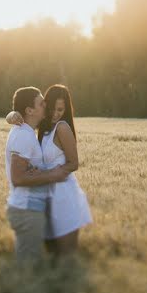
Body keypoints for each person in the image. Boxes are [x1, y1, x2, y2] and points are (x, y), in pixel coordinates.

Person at [6, 84, 93, 255]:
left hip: (63, 194)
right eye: (51, 108)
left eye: (60, 109)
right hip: (44, 197)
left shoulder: (62, 127)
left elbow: (74, 164)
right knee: (50, 253)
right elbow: (23, 122)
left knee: (66, 254)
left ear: (66, 109)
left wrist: (52, 174)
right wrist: (11, 115)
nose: (55, 113)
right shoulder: (43, 129)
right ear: (45, 105)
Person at [5, 86, 69, 263]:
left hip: (29, 208)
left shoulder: (26, 133)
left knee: (29, 265)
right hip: (27, 210)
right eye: (41, 103)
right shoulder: (24, 136)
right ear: (29, 110)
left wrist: (41, 173)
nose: (46, 106)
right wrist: (52, 175)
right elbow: (18, 178)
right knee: (27, 268)